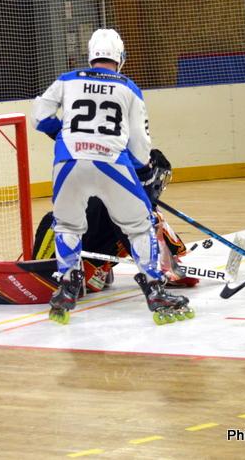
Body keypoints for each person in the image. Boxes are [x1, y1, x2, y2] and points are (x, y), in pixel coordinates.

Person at [31, 28, 193, 325]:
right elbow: (141, 144)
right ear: (120, 57)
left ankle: (66, 288)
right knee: (139, 226)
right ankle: (155, 291)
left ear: (91, 55)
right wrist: (142, 170)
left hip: (68, 161)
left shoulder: (67, 80)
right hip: (110, 161)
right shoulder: (128, 87)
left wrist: (62, 135)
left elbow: (39, 115)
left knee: (66, 224)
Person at [31, 149, 200, 293]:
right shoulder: (118, 196)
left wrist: (172, 264)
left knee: (149, 220)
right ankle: (40, 269)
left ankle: (92, 268)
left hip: (90, 262)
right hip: (62, 245)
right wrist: (162, 271)